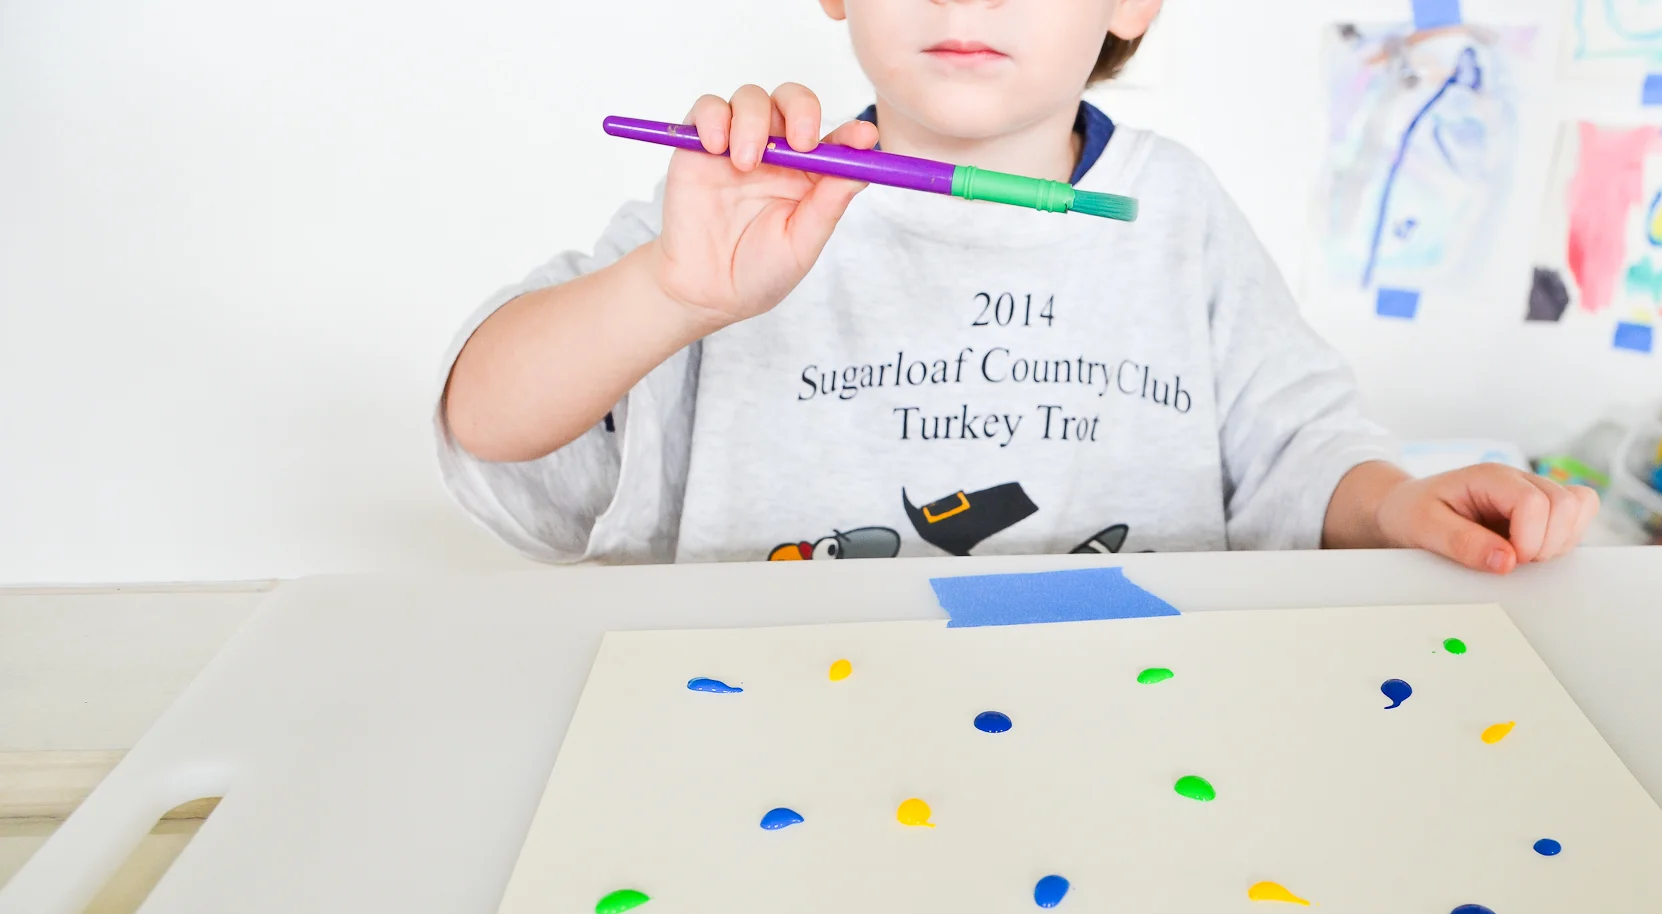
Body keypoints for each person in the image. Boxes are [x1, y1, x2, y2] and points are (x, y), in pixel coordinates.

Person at [438, 0, 1597, 571]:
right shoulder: (737, 207)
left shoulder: (1175, 211)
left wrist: (1395, 506)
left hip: (1116, 762)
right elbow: (490, 433)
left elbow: (1296, 449)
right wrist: (670, 295)